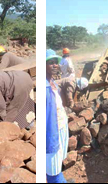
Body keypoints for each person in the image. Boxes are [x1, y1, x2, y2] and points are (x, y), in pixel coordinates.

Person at [46, 49, 69, 183]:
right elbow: (48, 118)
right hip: (53, 133)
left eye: (56, 62)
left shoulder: (53, 82)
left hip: (60, 127)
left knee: (56, 165)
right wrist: (51, 141)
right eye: (50, 63)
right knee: (53, 170)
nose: (55, 65)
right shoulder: (45, 88)